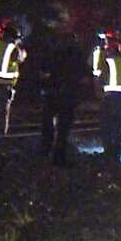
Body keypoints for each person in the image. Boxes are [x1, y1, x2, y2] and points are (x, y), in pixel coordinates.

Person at [38, 33, 86, 166]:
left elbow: (44, 70)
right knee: (63, 128)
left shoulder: (54, 52)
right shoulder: (77, 55)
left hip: (52, 93)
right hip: (68, 95)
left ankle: (45, 150)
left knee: (48, 124)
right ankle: (59, 156)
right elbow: (83, 75)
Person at [98, 37, 121, 164]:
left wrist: (99, 92)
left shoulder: (108, 62)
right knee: (119, 125)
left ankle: (108, 151)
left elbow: (101, 79)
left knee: (107, 124)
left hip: (110, 97)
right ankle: (118, 152)